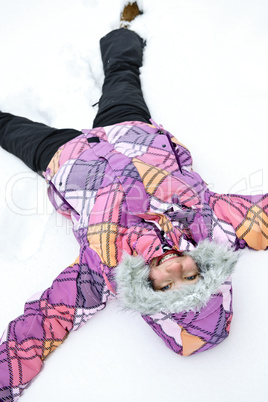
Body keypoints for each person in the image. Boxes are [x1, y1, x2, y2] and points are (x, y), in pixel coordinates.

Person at [0, 2, 267, 400]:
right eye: (192, 276)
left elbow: (44, 324)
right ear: (210, 271)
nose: (176, 267)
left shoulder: (103, 270)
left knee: (10, 130)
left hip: (65, 158)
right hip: (130, 131)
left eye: (168, 284)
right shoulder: (213, 224)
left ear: (149, 294)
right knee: (122, 75)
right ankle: (125, 28)